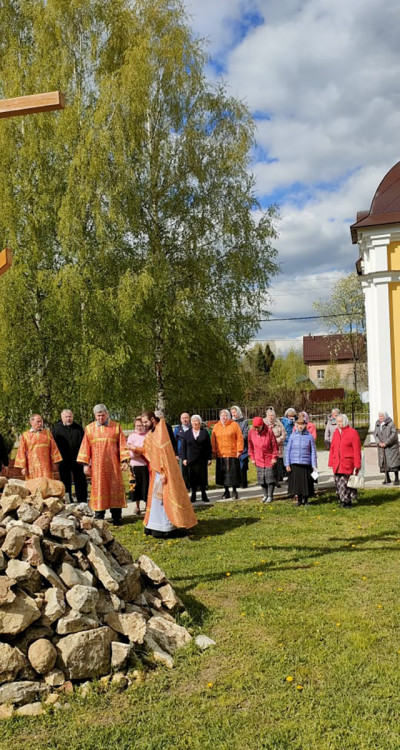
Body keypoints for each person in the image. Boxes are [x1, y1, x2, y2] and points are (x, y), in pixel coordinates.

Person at [140, 413, 197, 538]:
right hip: (157, 471)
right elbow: (148, 450)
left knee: (165, 497)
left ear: (153, 420)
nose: (144, 425)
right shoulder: (151, 433)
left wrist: (163, 472)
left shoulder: (161, 431)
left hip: (165, 471)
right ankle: (155, 526)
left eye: (145, 422)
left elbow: (163, 454)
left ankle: (166, 527)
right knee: (156, 499)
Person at [77, 404, 129, 525]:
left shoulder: (116, 427)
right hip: (97, 467)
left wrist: (125, 461)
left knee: (114, 488)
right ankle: (99, 515)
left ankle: (117, 516)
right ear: (95, 416)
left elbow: (122, 444)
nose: (100, 418)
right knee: (99, 489)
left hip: (113, 465)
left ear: (107, 414)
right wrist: (85, 464)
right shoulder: (89, 429)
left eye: (102, 415)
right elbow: (85, 447)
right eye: (98, 415)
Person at [52, 409, 87, 503]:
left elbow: (84, 443)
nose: (68, 418)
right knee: (65, 481)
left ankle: (82, 500)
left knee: (80, 480)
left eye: (70, 416)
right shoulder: (56, 430)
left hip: (77, 459)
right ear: (62, 417)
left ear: (73, 417)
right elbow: (53, 446)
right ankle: (67, 500)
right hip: (63, 460)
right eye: (66, 417)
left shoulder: (78, 428)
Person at [328, 414, 362, 508]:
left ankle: (347, 501)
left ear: (345, 421)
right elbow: (333, 448)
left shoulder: (352, 433)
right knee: (338, 482)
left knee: (346, 483)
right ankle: (342, 500)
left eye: (341, 422)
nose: (339, 424)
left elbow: (357, 450)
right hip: (337, 463)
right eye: (337, 422)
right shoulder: (336, 432)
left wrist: (357, 465)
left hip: (347, 462)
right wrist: (331, 461)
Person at [15, 414, 62, 480]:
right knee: (32, 486)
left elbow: (54, 449)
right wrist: (23, 467)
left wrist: (55, 462)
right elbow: (21, 452)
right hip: (31, 467)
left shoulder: (47, 433)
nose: (40, 423)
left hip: (46, 467)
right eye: (38, 421)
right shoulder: (25, 435)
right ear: (31, 422)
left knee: (46, 485)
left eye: (41, 421)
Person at [211, 409, 244, 499]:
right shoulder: (216, 426)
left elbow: (240, 438)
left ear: (229, 416)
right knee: (223, 473)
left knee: (233, 474)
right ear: (220, 417)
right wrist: (214, 451)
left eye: (225, 415)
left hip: (232, 453)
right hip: (221, 454)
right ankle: (226, 491)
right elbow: (213, 440)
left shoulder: (234, 425)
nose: (224, 417)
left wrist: (239, 450)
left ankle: (234, 491)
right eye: (222, 415)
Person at [286, 414, 317, 506]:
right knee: (297, 483)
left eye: (302, 424)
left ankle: (306, 500)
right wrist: (287, 464)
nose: (301, 426)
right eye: (299, 424)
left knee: (306, 483)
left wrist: (314, 465)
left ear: (305, 425)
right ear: (296, 425)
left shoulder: (309, 437)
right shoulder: (292, 436)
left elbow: (313, 452)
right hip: (295, 463)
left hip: (306, 463)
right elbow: (288, 451)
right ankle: (299, 500)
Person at [182, 414, 212, 503]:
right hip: (191, 459)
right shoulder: (187, 433)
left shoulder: (204, 432)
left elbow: (208, 447)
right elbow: (184, 447)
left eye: (197, 421)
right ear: (191, 423)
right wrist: (184, 458)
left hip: (202, 459)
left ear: (200, 422)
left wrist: (209, 458)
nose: (195, 423)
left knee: (203, 477)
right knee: (192, 477)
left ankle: (204, 494)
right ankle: (193, 494)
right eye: (193, 421)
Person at [248, 416, 278, 503]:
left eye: (258, 427)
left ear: (262, 425)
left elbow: (274, 446)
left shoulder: (269, 431)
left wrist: (274, 457)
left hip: (269, 458)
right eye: (255, 427)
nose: (256, 429)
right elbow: (250, 446)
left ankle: (270, 495)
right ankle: (264, 495)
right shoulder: (251, 432)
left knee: (270, 477)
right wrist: (252, 458)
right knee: (261, 478)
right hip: (258, 459)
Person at [127, 416, 150, 514]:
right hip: (135, 465)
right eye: (137, 426)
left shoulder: (148, 435)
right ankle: (137, 506)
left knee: (146, 486)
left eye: (140, 425)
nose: (139, 427)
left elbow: (149, 449)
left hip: (145, 464)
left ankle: (147, 506)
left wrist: (140, 451)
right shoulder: (131, 436)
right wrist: (134, 453)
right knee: (136, 486)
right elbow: (127, 449)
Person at [373, 412, 400, 485]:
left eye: (382, 416)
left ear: (385, 416)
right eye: (379, 416)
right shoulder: (377, 423)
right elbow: (375, 434)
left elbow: (393, 434)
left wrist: (386, 443)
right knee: (384, 462)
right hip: (381, 446)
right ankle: (387, 478)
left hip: (391, 447)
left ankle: (397, 478)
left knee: (394, 463)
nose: (380, 417)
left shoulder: (390, 423)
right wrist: (379, 442)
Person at [264, 408, 286, 486]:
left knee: (276, 465)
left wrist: (277, 440)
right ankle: (268, 481)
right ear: (266, 416)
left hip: (277, 446)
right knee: (267, 466)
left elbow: (284, 434)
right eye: (269, 415)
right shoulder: (263, 423)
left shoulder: (279, 423)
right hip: (266, 447)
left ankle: (276, 481)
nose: (271, 417)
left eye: (272, 415)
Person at [231, 406, 249, 488]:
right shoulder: (230, 422)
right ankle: (236, 482)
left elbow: (245, 434)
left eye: (235, 412)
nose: (234, 414)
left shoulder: (244, 422)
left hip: (242, 447)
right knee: (235, 466)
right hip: (233, 447)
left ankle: (243, 483)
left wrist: (237, 438)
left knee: (243, 465)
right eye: (232, 412)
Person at [174, 412, 191, 490]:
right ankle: (184, 487)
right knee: (183, 471)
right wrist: (176, 454)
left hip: (191, 453)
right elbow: (174, 442)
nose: (185, 420)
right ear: (180, 420)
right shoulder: (177, 429)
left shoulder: (192, 428)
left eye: (186, 418)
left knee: (191, 470)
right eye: (183, 418)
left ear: (189, 419)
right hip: (181, 453)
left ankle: (192, 485)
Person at [281, 408, 297, 478]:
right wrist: (290, 421)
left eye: (292, 416)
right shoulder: (284, 420)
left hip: (294, 442)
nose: (291, 417)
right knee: (286, 458)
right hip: (286, 442)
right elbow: (285, 427)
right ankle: (288, 473)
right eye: (289, 416)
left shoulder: (296, 421)